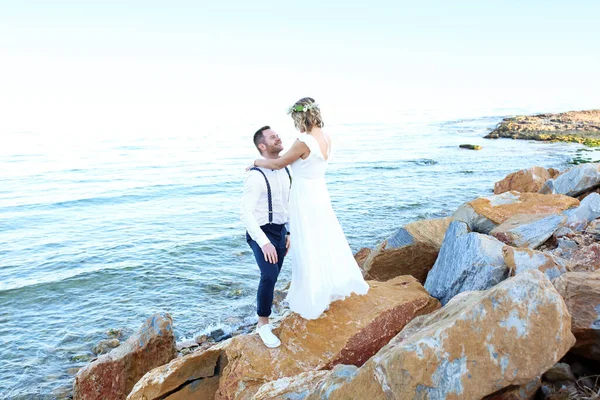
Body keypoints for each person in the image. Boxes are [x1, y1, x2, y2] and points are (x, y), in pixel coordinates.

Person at [249, 97, 368, 320]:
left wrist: (256, 162)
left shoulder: (302, 141)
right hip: (319, 194)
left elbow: (276, 163)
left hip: (304, 198)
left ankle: (313, 296)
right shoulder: (326, 138)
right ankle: (328, 285)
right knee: (323, 239)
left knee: (308, 243)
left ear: (300, 117)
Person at [241, 125, 292, 348]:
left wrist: (289, 231)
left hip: (281, 230)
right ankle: (262, 323)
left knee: (275, 275)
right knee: (269, 274)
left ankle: (267, 315)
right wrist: (264, 243)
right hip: (261, 232)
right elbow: (245, 213)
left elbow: (288, 204)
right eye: (273, 137)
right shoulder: (255, 177)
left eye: (277, 135)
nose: (278, 138)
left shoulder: (285, 169)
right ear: (262, 146)